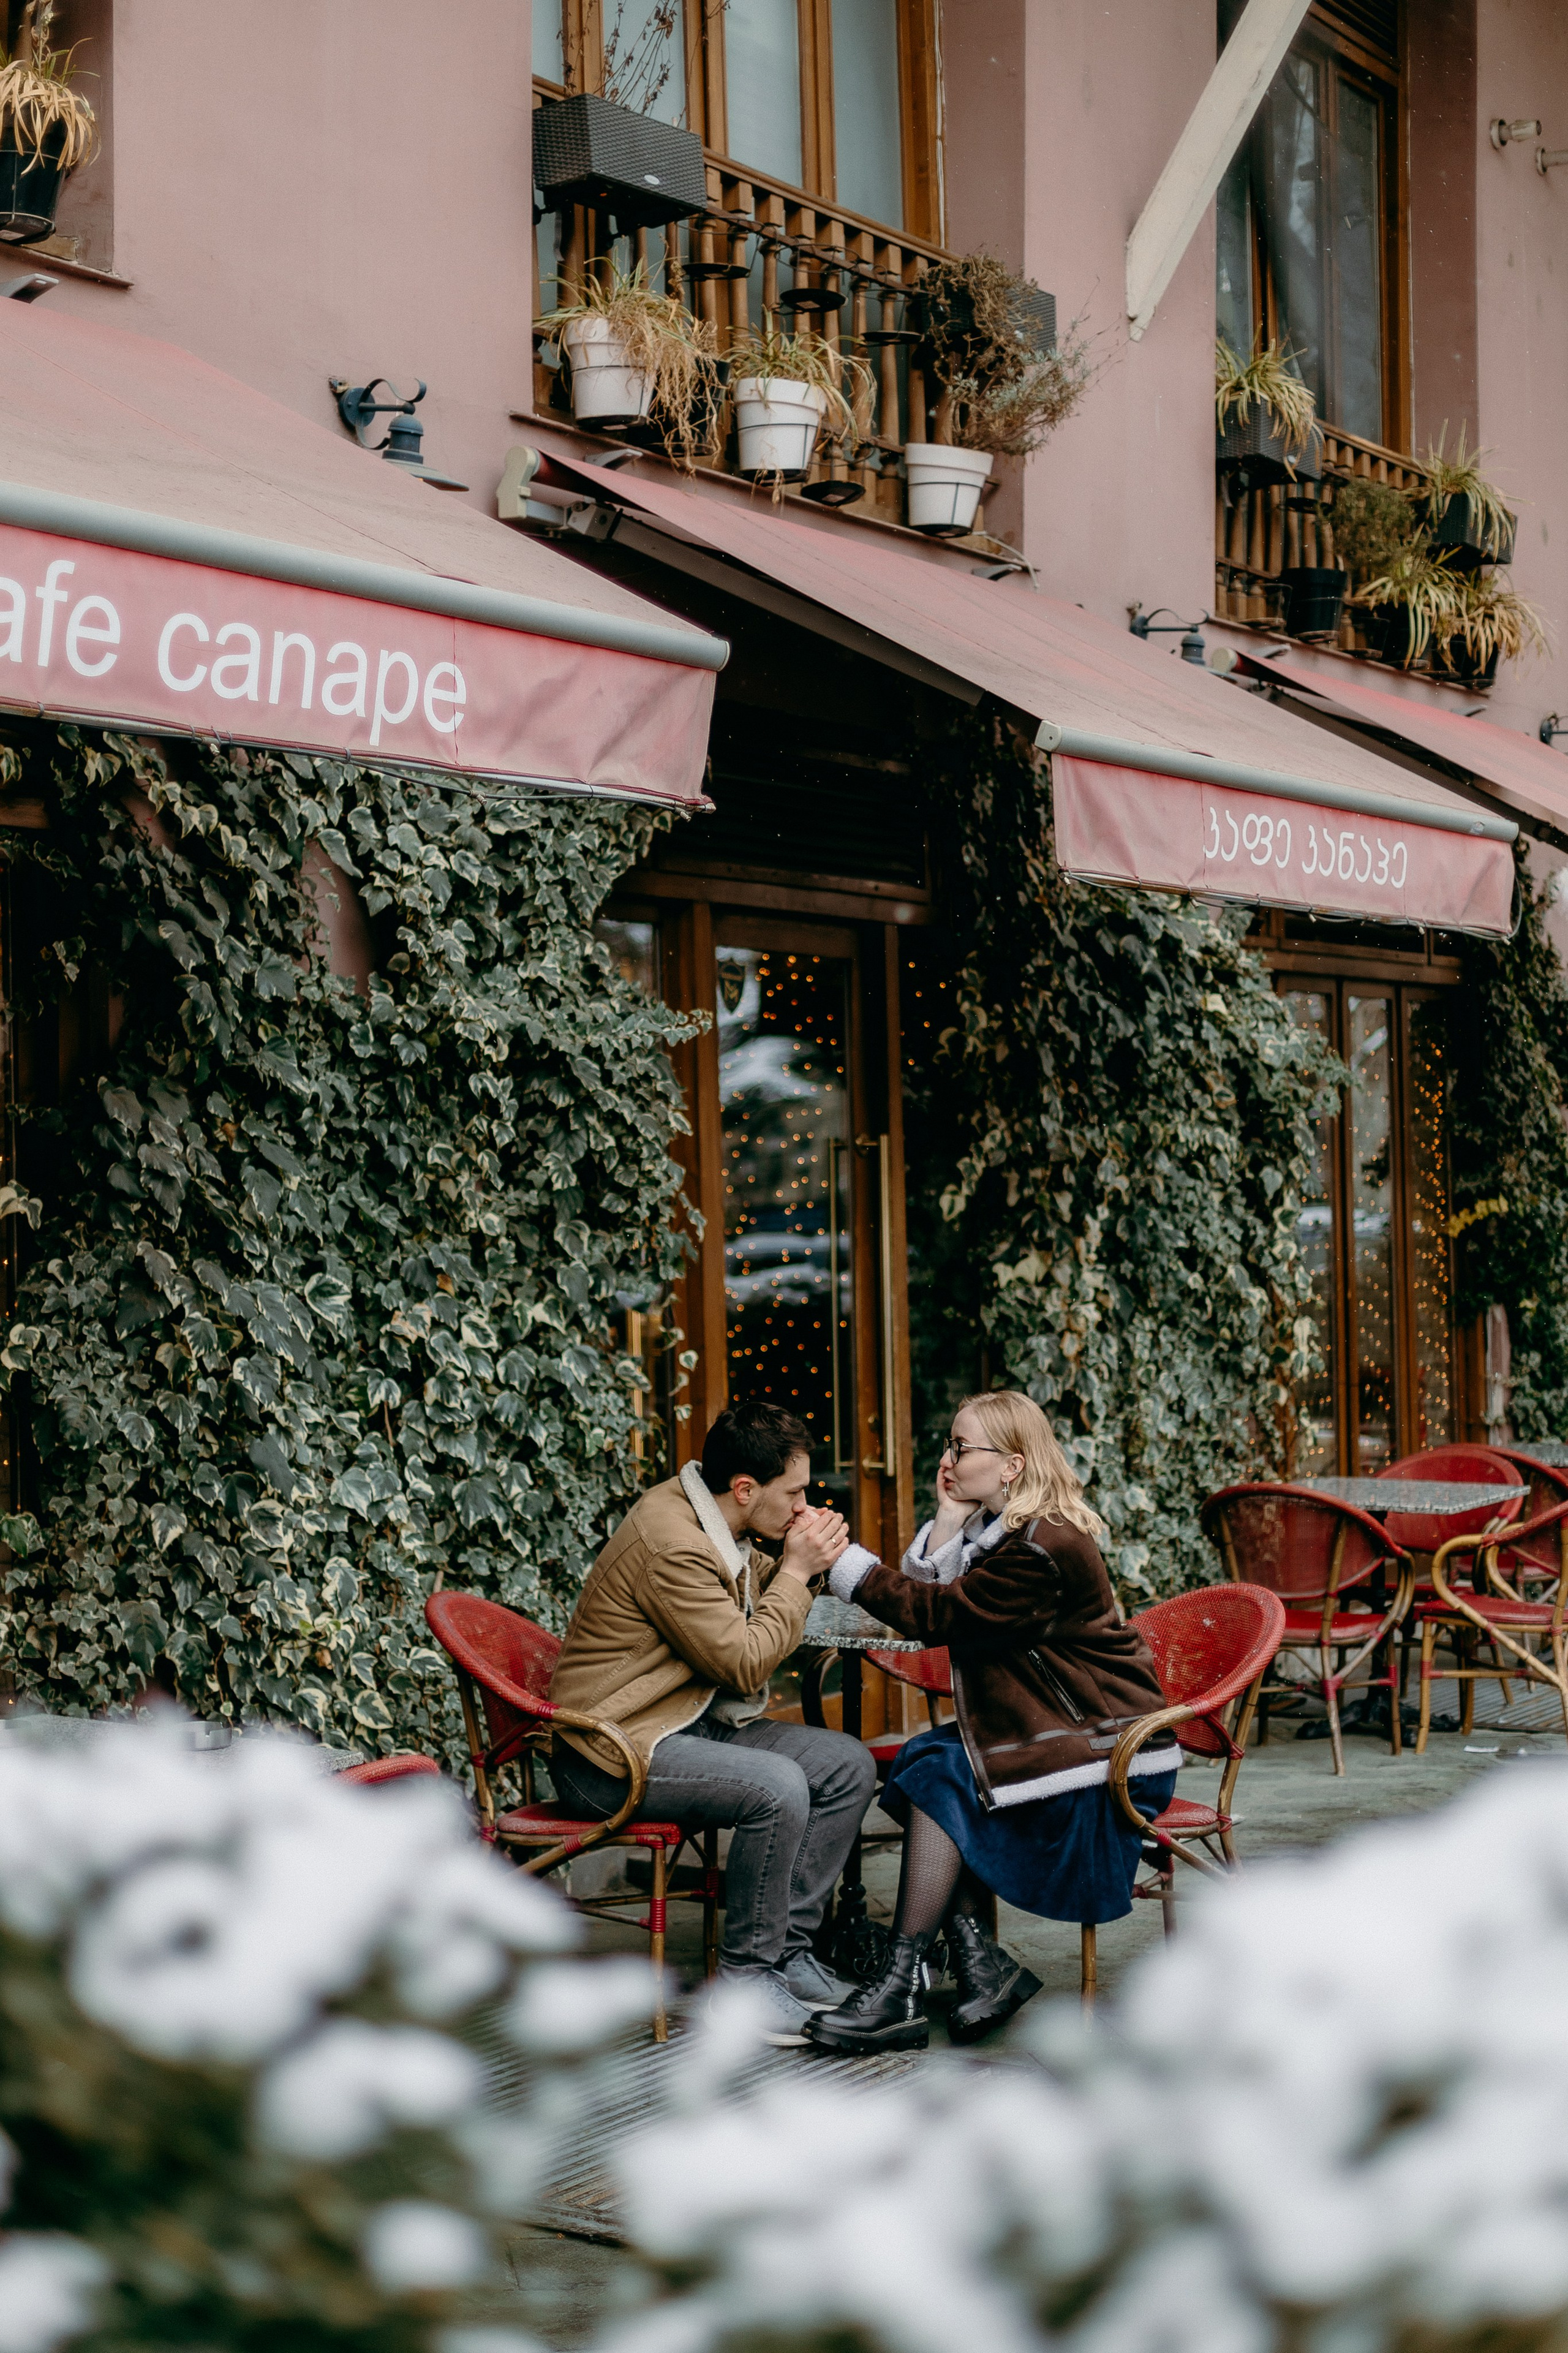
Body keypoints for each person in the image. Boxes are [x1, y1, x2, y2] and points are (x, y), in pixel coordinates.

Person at [807, 1389, 1178, 2053]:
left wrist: (842, 1564)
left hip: (1110, 1751)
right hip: (1062, 1732)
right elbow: (953, 1601)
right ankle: (982, 1966)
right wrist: (949, 1516)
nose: (947, 1458)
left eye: (959, 1446)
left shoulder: (1041, 1547)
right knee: (929, 1759)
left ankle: (901, 1983)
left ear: (1010, 1465)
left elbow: (941, 1616)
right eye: (949, 1443)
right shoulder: (1015, 1529)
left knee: (941, 1777)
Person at [548, 1399, 877, 2047]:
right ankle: (745, 1984)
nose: (804, 1506)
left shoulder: (709, 1517)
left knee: (847, 1765)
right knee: (776, 1785)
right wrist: (799, 1568)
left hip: (680, 1724)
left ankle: (784, 1954)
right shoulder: (672, 1541)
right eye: (795, 1492)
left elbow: (753, 1587)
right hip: (608, 1753)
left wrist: (807, 1562)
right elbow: (746, 1660)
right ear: (745, 1489)